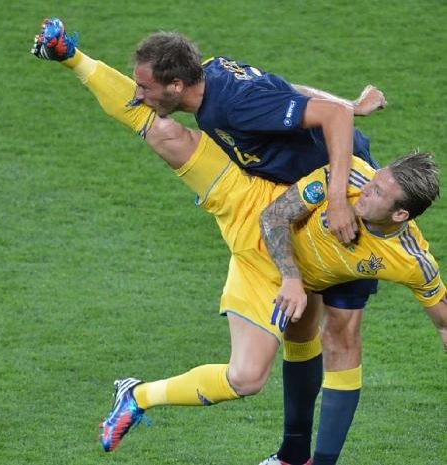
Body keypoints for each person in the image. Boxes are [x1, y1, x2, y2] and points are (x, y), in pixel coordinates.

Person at [31, 19, 447, 464]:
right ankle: (70, 54)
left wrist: (343, 142)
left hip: (301, 208)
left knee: (293, 355)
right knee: (163, 133)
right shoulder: (226, 88)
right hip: (258, 201)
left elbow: (306, 106)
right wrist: (300, 261)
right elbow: (287, 102)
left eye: (146, 86)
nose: (139, 92)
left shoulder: (385, 231)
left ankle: (293, 454)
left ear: (177, 84)